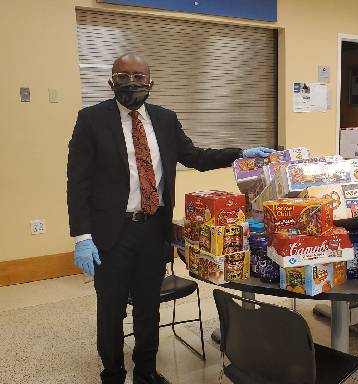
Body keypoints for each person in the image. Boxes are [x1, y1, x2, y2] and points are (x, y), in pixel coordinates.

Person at [67, 53, 274, 384]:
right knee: (110, 311)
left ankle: (146, 372)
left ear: (150, 83)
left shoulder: (164, 119)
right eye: (123, 75)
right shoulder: (91, 119)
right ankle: (113, 374)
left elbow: (195, 157)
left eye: (138, 76)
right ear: (111, 80)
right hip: (110, 233)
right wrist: (82, 236)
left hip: (152, 230)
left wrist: (239, 153)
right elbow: (77, 182)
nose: (130, 82)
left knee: (148, 307)